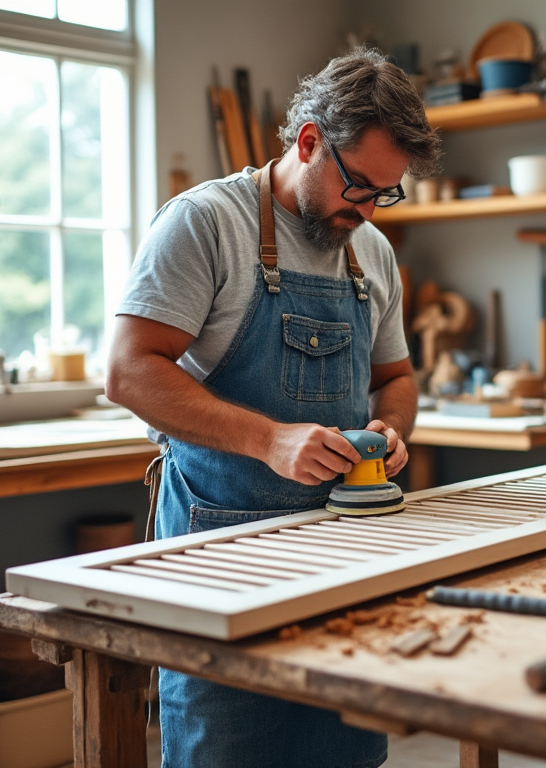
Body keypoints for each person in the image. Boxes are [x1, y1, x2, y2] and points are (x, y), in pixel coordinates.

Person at [105, 47, 440, 768]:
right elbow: (129, 372)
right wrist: (267, 440)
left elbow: (399, 377)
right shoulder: (204, 223)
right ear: (310, 142)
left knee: (343, 750)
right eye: (359, 186)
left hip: (344, 559)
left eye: (386, 192)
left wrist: (393, 427)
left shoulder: (372, 250)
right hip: (221, 554)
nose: (368, 207)